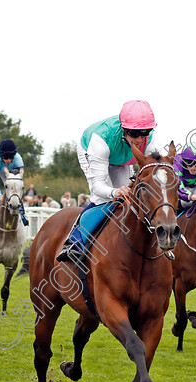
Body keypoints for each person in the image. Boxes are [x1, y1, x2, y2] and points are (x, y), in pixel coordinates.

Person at [57, 100, 161, 262]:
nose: (140, 139)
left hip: (122, 160)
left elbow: (153, 172)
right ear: (124, 129)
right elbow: (99, 187)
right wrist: (115, 191)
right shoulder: (100, 139)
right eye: (134, 134)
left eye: (145, 132)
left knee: (132, 198)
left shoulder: (151, 139)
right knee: (103, 198)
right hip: (93, 150)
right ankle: (75, 241)